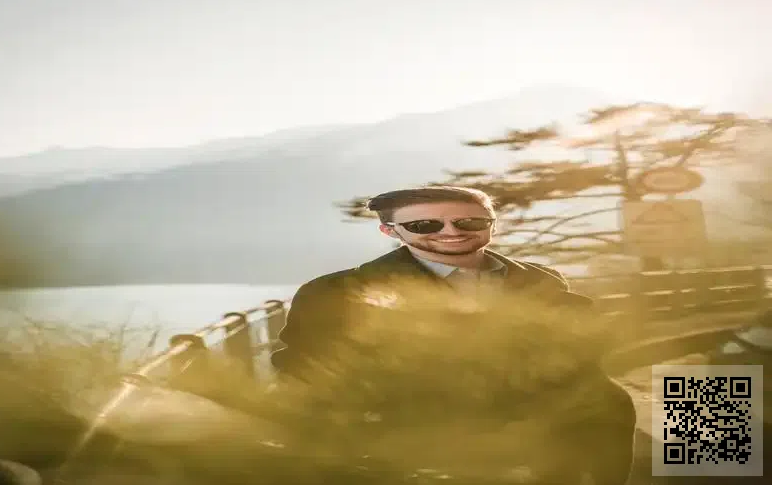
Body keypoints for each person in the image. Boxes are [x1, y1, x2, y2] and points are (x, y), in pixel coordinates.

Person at [271, 185, 636, 484]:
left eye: (469, 221)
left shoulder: (541, 278)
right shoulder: (336, 291)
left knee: (620, 402)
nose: (452, 232)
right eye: (425, 225)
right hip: (412, 426)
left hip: (547, 420)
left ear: (492, 224)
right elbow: (303, 369)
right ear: (391, 231)